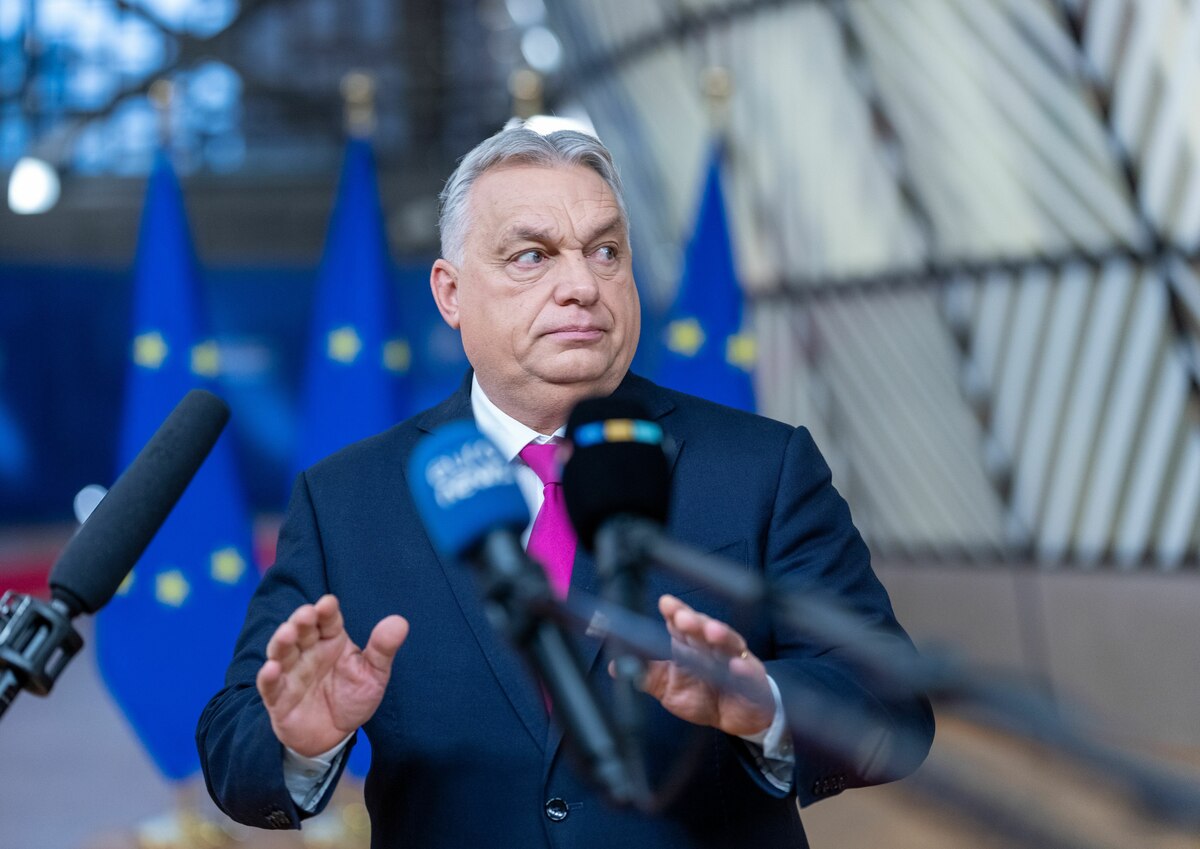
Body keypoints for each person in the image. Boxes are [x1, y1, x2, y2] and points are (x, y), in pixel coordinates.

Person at [197, 126, 934, 848]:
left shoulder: (763, 466)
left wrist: (761, 703)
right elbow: (234, 750)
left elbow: (892, 707)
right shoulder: (347, 498)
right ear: (450, 293)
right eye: (532, 255)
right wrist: (301, 740)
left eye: (606, 252)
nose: (582, 286)